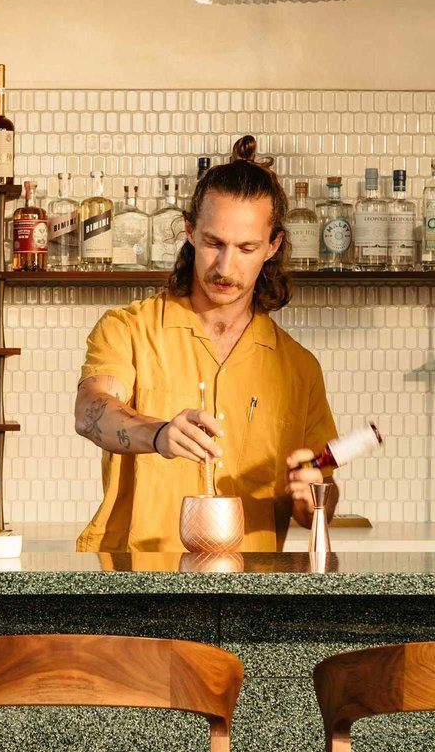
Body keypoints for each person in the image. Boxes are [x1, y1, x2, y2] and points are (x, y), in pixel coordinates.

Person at [74, 136, 339, 557]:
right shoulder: (128, 328)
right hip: (137, 584)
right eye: (214, 243)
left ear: (272, 246)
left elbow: (322, 485)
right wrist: (158, 433)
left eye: (246, 248)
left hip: (250, 588)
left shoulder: (299, 368)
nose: (224, 267)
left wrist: (314, 498)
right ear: (190, 231)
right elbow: (90, 412)